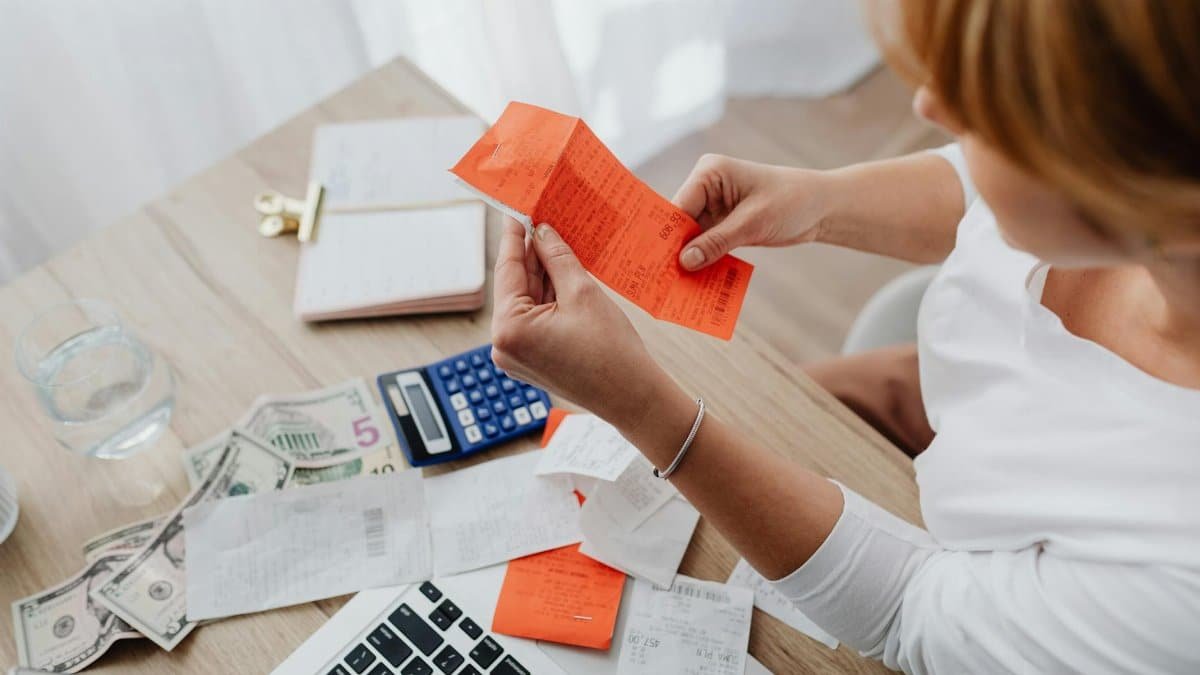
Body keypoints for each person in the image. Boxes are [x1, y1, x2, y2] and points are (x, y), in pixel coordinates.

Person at [489, 1, 1200, 672]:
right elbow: (983, 191)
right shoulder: (1141, 186)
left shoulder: (1173, 573)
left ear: (1138, 180)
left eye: (992, 109)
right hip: (944, 402)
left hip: (972, 560)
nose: (931, 108)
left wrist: (645, 408)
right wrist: (822, 202)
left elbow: (908, 608)